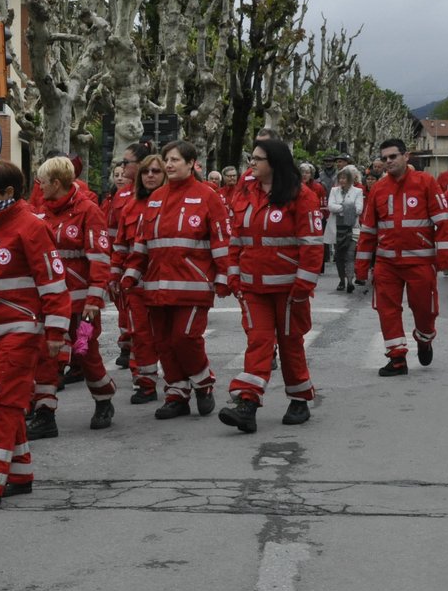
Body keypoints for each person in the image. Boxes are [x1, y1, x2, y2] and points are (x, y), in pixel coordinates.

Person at [0, 161, 72, 507]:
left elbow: (53, 283)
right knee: (3, 402)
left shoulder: (31, 228)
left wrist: (55, 332)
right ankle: (20, 474)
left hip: (21, 332)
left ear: (8, 193)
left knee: (1, 404)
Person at [218, 138, 323, 434]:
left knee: (290, 344)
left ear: (274, 162)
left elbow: (312, 245)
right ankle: (247, 404)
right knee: (259, 341)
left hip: (290, 289)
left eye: (258, 159)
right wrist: (234, 275)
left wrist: (304, 284)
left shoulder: (301, 196)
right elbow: (236, 239)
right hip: (253, 288)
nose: (252, 163)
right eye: (251, 158)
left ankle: (300, 398)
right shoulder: (245, 192)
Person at [122, 140, 233, 418]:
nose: (169, 165)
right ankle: (177, 393)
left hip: (194, 286)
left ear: (191, 163)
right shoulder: (156, 198)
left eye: (174, 160)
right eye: (167, 160)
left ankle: (203, 381)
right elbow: (141, 242)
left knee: (185, 338)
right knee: (162, 343)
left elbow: (221, 240)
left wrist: (224, 276)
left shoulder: (208, 197)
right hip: (157, 286)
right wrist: (130, 274)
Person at [28, 156, 116, 438]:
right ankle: (44, 412)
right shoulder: (40, 212)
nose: (38, 188)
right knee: (46, 355)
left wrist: (94, 299)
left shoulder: (88, 211)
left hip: (82, 303)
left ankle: (104, 399)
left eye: (42, 183)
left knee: (84, 353)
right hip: (51, 302)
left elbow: (100, 260)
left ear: (56, 183)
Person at [355, 138, 448, 377]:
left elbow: (442, 222)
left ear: (405, 156)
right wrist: (361, 266)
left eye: (393, 157)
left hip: (420, 262)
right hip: (387, 264)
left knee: (425, 311)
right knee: (386, 310)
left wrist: (445, 258)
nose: (388, 162)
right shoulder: (378, 188)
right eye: (385, 158)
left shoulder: (426, 182)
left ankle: (424, 337)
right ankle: (397, 357)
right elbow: (368, 230)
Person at [113, 152, 166, 404]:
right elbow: (121, 243)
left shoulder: (173, 203)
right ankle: (145, 383)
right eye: (146, 172)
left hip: (168, 282)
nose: (150, 176)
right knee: (140, 335)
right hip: (135, 282)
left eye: (156, 171)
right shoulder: (131, 205)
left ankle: (184, 382)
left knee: (170, 336)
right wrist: (115, 273)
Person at [325, 164, 364, 292]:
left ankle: (349, 281)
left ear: (350, 179)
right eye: (340, 178)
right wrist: (347, 207)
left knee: (350, 255)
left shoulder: (358, 191)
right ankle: (342, 280)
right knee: (339, 255)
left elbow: (358, 209)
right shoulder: (334, 191)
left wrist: (341, 207)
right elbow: (331, 206)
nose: (342, 180)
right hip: (336, 228)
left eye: (344, 178)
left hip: (352, 227)